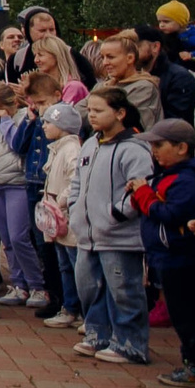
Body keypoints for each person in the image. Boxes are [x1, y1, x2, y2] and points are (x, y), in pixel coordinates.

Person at [67, 89, 153, 365]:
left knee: (123, 291)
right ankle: (97, 335)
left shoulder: (134, 148)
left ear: (120, 113)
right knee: (89, 287)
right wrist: (74, 206)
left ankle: (130, 344)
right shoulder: (90, 144)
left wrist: (117, 213)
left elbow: (139, 187)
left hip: (118, 236)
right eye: (89, 110)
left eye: (98, 110)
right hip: (87, 233)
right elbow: (78, 181)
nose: (91, 115)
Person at [135, 117, 195, 386]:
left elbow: (170, 214)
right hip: (167, 256)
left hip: (183, 258)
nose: (154, 151)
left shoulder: (186, 182)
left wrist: (145, 194)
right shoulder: (166, 176)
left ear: (182, 148)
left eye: (160, 145)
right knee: (182, 314)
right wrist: (142, 194)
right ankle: (194, 363)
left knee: (187, 315)